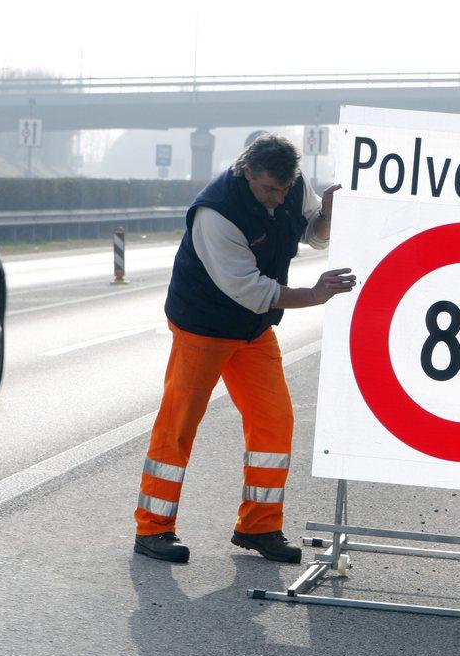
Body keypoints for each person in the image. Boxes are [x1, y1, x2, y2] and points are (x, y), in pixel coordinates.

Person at [133, 134, 355, 564]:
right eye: (271, 188)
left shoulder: (291, 184)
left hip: (252, 332)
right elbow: (251, 289)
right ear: (246, 171)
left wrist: (327, 216)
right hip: (203, 327)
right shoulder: (216, 214)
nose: (280, 196)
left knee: (275, 421)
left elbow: (314, 234)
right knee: (178, 424)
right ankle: (153, 528)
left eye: (286, 187)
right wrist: (314, 294)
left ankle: (260, 526)